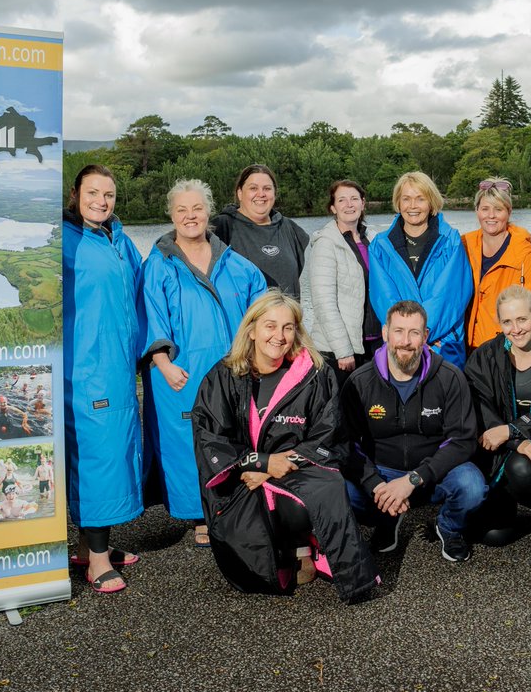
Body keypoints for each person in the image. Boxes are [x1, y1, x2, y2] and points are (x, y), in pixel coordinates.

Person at [193, 290, 379, 601]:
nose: (279, 336)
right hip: (241, 478)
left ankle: (312, 546)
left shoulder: (315, 374)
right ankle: (283, 551)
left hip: (297, 471)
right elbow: (209, 439)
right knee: (251, 571)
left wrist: (272, 468)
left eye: (288, 327)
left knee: (329, 487)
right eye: (270, 326)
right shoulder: (223, 376)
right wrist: (260, 462)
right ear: (251, 330)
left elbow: (328, 434)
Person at [142, 178, 266, 543]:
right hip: (181, 371)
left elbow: (259, 314)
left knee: (232, 434)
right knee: (186, 441)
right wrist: (163, 363)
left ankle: (232, 504)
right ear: (171, 215)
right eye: (181, 210)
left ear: (208, 211)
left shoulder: (237, 264)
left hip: (231, 370)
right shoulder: (159, 265)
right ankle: (199, 514)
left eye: (196, 208)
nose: (190, 216)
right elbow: (151, 315)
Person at [341, 300, 485, 562]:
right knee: (341, 490)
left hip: (434, 472)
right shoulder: (359, 382)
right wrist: (376, 486)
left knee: (472, 486)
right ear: (385, 333)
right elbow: (348, 444)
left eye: (414, 332)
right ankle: (387, 516)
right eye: (398, 331)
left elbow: (462, 440)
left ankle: (449, 527)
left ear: (425, 336)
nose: (405, 341)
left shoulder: (450, 377)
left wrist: (414, 479)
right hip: (382, 472)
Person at [62, 163, 146, 594]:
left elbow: (139, 292)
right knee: (99, 457)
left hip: (115, 365)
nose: (101, 201)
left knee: (107, 452)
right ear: (75, 194)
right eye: (93, 193)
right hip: (86, 367)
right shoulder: (63, 240)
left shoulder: (119, 239)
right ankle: (97, 561)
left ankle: (86, 546)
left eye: (109, 195)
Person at [464, 286, 531, 547]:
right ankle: (506, 501)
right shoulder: (487, 355)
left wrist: (513, 430)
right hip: (502, 448)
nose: (516, 329)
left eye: (522, 319)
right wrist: (514, 438)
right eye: (507, 321)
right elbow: (476, 402)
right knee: (493, 537)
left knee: (522, 467)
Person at [369, 171, 474, 368]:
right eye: (406, 199)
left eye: (420, 199)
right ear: (398, 203)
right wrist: (406, 338)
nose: (413, 206)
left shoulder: (450, 241)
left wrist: (422, 335)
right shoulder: (379, 246)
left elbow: (450, 297)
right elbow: (384, 298)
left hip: (442, 345)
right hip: (401, 348)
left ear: (431, 202)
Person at [308, 179, 383, 387]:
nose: (349, 204)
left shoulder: (374, 240)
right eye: (342, 200)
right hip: (341, 351)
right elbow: (324, 303)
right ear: (333, 207)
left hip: (374, 342)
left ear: (363, 203)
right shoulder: (326, 244)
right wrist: (343, 350)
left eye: (354, 199)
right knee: (343, 411)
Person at [461, 177, 531, 350]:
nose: (491, 215)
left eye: (498, 209)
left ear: (509, 212)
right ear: (476, 211)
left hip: (506, 346)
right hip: (467, 345)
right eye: (485, 209)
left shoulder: (524, 252)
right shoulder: (464, 245)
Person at [210, 164, 310, 299]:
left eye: (267, 188)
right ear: (240, 193)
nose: (261, 194)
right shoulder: (221, 227)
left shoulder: (290, 228)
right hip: (245, 319)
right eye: (253, 188)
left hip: (287, 319)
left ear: (274, 193)